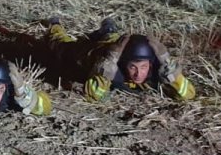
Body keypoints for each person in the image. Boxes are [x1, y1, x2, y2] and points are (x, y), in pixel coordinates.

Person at [46, 17, 196, 102]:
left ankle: (108, 29)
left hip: (118, 44)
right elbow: (93, 95)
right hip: (96, 52)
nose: (138, 74)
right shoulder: (110, 64)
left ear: (150, 64)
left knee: (114, 38)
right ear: (124, 64)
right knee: (59, 45)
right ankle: (55, 25)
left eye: (143, 67)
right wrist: (108, 65)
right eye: (133, 67)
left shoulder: (157, 70)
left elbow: (187, 94)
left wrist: (168, 65)